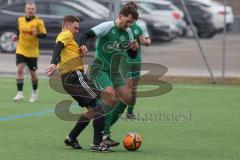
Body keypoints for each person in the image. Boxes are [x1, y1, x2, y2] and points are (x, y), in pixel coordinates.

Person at [77, 4, 139, 147]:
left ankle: (104, 127)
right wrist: (82, 45)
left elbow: (131, 53)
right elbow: (84, 35)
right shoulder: (107, 26)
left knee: (127, 98)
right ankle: (104, 135)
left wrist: (134, 49)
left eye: (131, 23)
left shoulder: (128, 32)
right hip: (99, 69)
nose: (128, 25)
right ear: (120, 16)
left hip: (114, 71)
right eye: (127, 21)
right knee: (110, 96)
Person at [46, 15, 111, 152]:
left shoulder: (71, 39)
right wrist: (53, 62)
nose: (77, 31)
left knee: (92, 111)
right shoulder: (66, 34)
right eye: (75, 27)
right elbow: (58, 47)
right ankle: (97, 145)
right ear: (67, 25)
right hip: (75, 77)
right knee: (100, 107)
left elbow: (66, 54)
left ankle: (71, 137)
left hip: (71, 79)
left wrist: (81, 53)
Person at [13, 1, 47, 102]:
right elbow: (19, 31)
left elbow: (44, 35)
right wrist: (16, 37)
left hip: (32, 52)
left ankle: (34, 92)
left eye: (32, 9)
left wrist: (37, 34)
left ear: (35, 10)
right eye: (29, 9)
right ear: (25, 9)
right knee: (20, 70)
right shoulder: (20, 20)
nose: (30, 10)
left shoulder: (38, 22)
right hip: (21, 49)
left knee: (33, 74)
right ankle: (20, 93)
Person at [124, 2, 152, 119]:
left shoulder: (140, 26)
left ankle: (130, 112)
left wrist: (144, 41)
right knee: (127, 87)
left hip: (135, 61)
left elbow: (148, 41)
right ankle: (114, 111)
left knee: (133, 90)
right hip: (122, 62)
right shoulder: (120, 25)